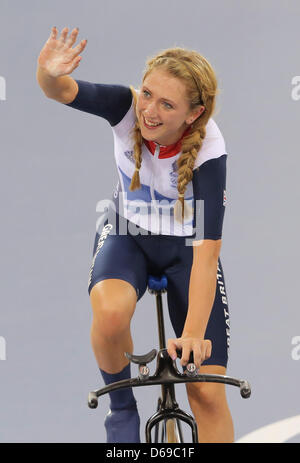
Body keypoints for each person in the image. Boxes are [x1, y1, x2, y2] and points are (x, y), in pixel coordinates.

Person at [36, 26, 233, 443]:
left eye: (167, 103)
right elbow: (59, 90)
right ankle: (122, 408)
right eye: (147, 94)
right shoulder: (125, 107)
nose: (149, 111)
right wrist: (49, 73)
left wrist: (194, 333)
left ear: (193, 114)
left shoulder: (209, 152)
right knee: (108, 314)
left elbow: (207, 253)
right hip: (127, 234)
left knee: (205, 391)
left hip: (186, 252)